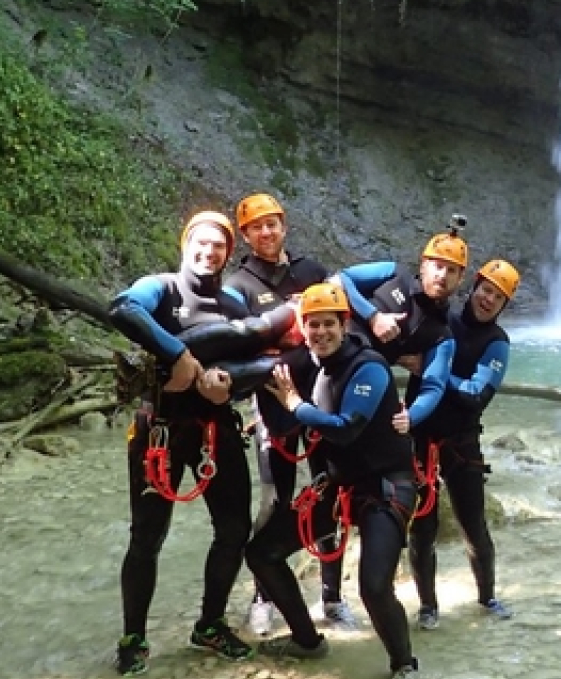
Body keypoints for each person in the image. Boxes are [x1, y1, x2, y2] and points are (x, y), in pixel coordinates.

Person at [105, 210, 295, 677]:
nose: (209, 253)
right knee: (147, 537)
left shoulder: (233, 303)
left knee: (232, 531)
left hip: (217, 430)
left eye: (219, 247)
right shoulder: (162, 288)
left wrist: (227, 383)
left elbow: (259, 365)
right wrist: (180, 356)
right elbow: (122, 309)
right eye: (202, 243)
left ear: (228, 253)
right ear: (185, 243)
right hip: (162, 430)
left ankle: (209, 624)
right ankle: (133, 637)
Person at [246, 282, 421, 677]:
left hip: (385, 487)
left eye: (329, 324)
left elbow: (345, 429)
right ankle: (307, 642)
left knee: (374, 587)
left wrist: (296, 406)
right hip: (341, 486)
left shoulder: (369, 367)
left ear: (344, 325)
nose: (321, 332)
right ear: (302, 329)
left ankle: (404, 666)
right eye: (312, 325)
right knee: (261, 553)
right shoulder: (317, 366)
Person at [223, 193, 356, 636]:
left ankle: (332, 597)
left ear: (284, 226)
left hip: (322, 402)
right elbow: (242, 347)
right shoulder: (239, 286)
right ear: (246, 234)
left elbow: (340, 328)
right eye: (257, 226)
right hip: (272, 410)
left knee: (329, 494)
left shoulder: (311, 272)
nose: (267, 232)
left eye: (273, 224)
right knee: (275, 501)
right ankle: (264, 595)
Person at [409, 258, 520, 630]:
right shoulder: (440, 320)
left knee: (473, 524)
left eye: (498, 297)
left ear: (504, 306)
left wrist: (431, 371)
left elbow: (476, 396)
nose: (488, 299)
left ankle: (487, 596)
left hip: (461, 441)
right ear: (474, 286)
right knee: (422, 527)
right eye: (486, 290)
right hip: (420, 435)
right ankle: (428, 606)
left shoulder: (497, 344)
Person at [334, 217, 470, 433]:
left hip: (362, 381)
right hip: (332, 354)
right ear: (424, 265)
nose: (442, 275)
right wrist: (374, 316)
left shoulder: (442, 335)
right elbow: (343, 279)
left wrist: (410, 416)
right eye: (438, 266)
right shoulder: (395, 273)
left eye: (451, 271)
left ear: (461, 279)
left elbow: (434, 386)